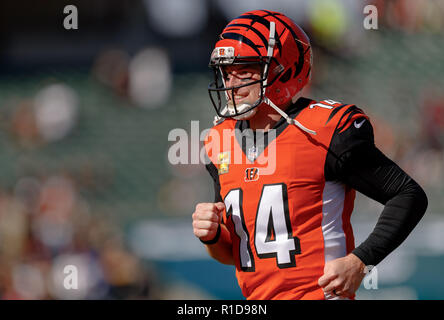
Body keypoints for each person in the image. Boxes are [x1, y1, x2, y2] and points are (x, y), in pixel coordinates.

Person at [192, 9, 427, 300]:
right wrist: (212, 235)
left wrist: (360, 261)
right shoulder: (219, 140)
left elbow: (407, 194)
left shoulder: (323, 129)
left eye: (246, 68)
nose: (231, 82)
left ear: (283, 69)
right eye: (227, 70)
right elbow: (237, 253)